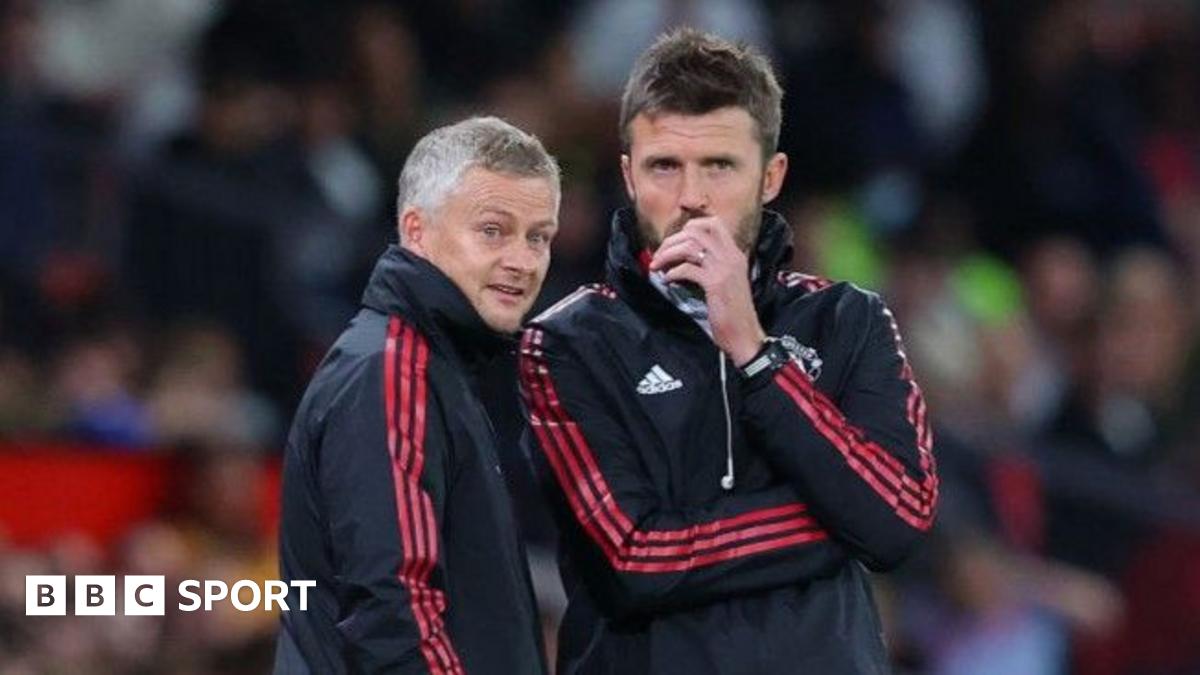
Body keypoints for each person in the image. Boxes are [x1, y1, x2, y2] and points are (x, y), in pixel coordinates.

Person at [519, 29, 938, 674]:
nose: (692, 196)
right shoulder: (567, 343)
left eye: (720, 166)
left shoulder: (848, 320)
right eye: (664, 166)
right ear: (628, 175)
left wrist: (755, 352)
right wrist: (837, 519)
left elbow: (901, 518)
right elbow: (635, 559)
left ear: (771, 177)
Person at [275, 116, 558, 674]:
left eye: (538, 237)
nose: (522, 260)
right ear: (417, 230)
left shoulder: (435, 364)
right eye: (493, 231)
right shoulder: (393, 370)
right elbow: (396, 613)